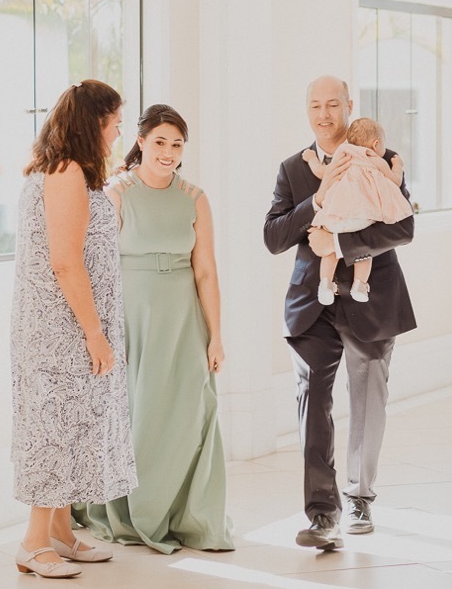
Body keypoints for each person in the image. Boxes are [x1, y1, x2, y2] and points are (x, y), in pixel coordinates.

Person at [72, 104, 234, 554]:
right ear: (140, 142)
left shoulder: (195, 197)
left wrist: (216, 334)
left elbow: (206, 272)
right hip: (131, 317)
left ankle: (189, 513)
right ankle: (130, 509)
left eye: (177, 144)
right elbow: (95, 267)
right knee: (136, 415)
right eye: (159, 141)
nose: (168, 152)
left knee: (189, 415)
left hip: (183, 318)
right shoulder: (116, 193)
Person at [263, 75, 416, 550]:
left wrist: (341, 243)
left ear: (349, 106)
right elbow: (273, 237)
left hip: (372, 301)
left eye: (333, 104)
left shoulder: (383, 160)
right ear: (306, 110)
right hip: (313, 304)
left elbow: (403, 226)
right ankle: (322, 512)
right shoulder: (293, 168)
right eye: (315, 105)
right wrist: (318, 199)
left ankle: (360, 496)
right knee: (313, 402)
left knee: (369, 400)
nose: (324, 114)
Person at [11, 79, 137, 579]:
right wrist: (94, 333)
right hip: (60, 329)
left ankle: (61, 532)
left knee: (73, 423)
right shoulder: (64, 174)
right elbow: (66, 263)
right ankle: (33, 540)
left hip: (63, 324)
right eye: (113, 124)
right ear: (93, 124)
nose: (117, 133)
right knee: (54, 428)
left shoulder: (66, 171)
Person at [302, 117, 412, 305]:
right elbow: (395, 181)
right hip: (363, 216)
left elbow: (322, 173)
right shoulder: (374, 158)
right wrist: (398, 166)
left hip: (337, 214)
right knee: (363, 252)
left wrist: (311, 158)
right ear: (376, 144)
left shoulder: (343, 154)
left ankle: (325, 284)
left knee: (329, 251)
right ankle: (360, 285)